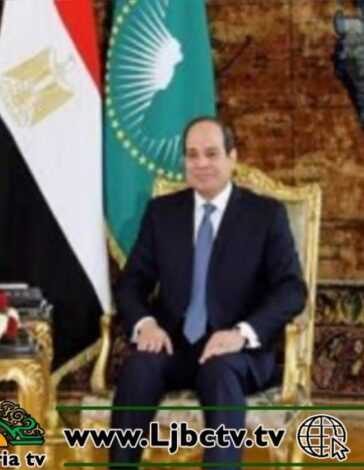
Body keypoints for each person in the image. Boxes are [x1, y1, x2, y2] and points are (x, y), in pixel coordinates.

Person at [110, 117, 307, 469]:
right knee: (138, 367)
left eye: (212, 154)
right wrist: (145, 323)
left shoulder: (265, 215)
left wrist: (242, 334)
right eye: (192, 155)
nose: (201, 163)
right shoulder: (162, 213)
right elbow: (131, 282)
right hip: (173, 345)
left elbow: (292, 289)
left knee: (219, 373)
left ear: (232, 158)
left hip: (236, 353)